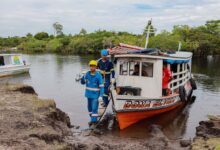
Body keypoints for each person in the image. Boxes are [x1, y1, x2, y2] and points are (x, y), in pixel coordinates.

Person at [81, 60, 104, 125]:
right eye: (90, 66)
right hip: (88, 95)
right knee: (89, 108)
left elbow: (102, 86)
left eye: (93, 66)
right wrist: (82, 77)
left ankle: (94, 122)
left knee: (94, 108)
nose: (91, 67)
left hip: (95, 95)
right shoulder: (87, 74)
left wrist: (101, 96)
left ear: (96, 67)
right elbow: (82, 83)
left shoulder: (98, 75)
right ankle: (92, 119)